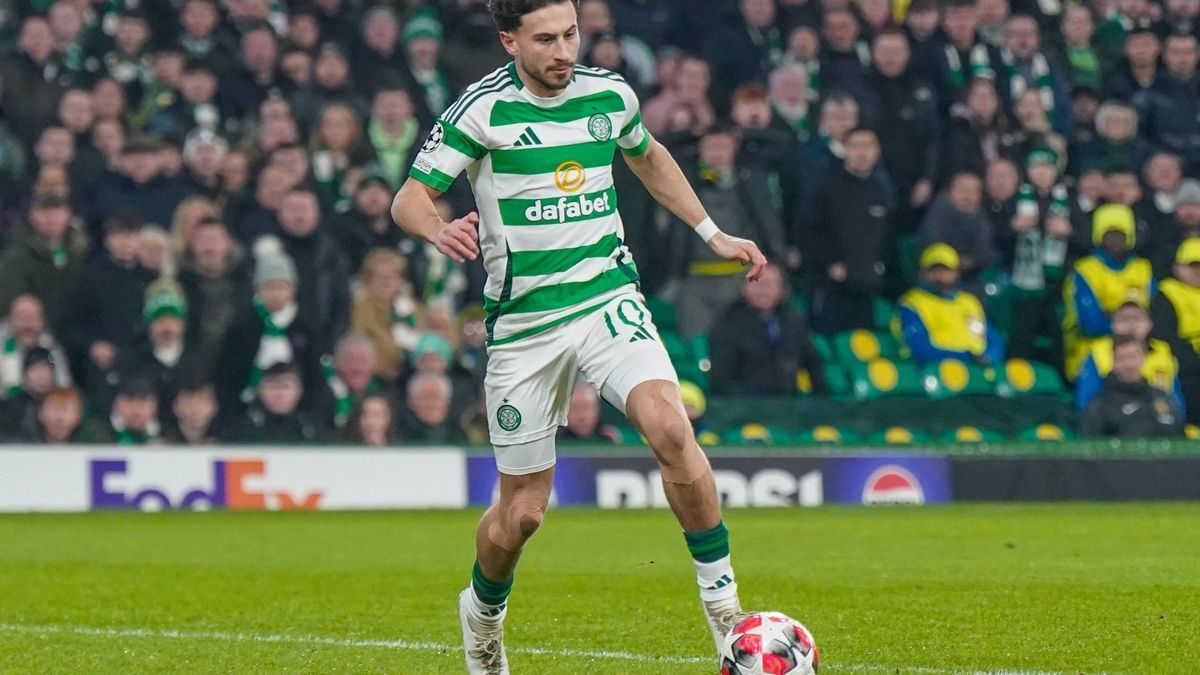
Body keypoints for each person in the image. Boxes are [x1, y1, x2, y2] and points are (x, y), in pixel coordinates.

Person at [389, 2, 767, 670]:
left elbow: (648, 159)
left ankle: (724, 609)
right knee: (524, 514)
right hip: (525, 327)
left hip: (606, 296)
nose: (564, 50)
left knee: (671, 427)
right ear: (510, 42)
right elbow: (409, 198)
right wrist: (436, 227)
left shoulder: (609, 94)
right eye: (545, 40)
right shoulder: (481, 110)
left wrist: (713, 233)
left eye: (570, 34)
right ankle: (482, 613)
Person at [808, 126, 896, 334]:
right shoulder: (825, 186)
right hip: (831, 286)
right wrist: (830, 263)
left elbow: (887, 237)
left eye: (868, 146)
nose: (862, 152)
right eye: (856, 146)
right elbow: (807, 231)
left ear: (877, 151)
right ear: (844, 150)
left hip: (868, 286)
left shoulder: (883, 189)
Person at [1063, 204, 1156, 380]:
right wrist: (1133, 321)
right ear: (1099, 236)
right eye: (1109, 235)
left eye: (1121, 234)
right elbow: (1092, 325)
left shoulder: (1143, 269)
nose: (1116, 240)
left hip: (1141, 349)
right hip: (1092, 350)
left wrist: (1113, 314)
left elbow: (1154, 316)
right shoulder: (1085, 271)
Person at [709, 262, 826, 396]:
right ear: (744, 288)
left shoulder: (793, 320)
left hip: (787, 404)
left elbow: (813, 362)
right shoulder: (727, 324)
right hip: (744, 406)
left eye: (770, 285)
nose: (763, 290)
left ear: (782, 290)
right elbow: (721, 380)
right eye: (757, 283)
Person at [897, 244, 1005, 366]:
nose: (940, 275)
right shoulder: (912, 303)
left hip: (979, 372)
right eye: (934, 270)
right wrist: (967, 357)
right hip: (937, 372)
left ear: (957, 272)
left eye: (946, 269)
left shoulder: (969, 302)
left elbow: (993, 340)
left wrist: (988, 357)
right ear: (923, 273)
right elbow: (920, 348)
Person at [0, 192, 90, 329]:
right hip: (29, 331)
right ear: (32, 216)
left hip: (76, 330)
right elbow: (6, 300)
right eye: (44, 213)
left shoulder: (82, 252)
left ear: (68, 214)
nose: (51, 219)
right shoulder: (16, 256)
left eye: (57, 212)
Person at [1076, 298, 1181, 413]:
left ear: (1150, 323)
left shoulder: (1164, 353)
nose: (1131, 324)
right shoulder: (1098, 354)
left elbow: (1176, 400)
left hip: (1158, 421)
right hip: (1115, 421)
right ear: (1113, 325)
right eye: (1124, 319)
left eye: (1137, 318)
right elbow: (1087, 402)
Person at [1079, 335, 1184, 437]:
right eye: (1122, 358)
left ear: (1144, 358)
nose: (1129, 364)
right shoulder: (1100, 405)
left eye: (1133, 356)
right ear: (1114, 363)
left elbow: (1179, 436)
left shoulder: (1161, 396)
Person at [917, 172, 999, 288]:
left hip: (973, 275)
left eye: (974, 191)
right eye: (962, 189)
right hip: (939, 277)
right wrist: (957, 260)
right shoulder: (938, 215)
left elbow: (988, 254)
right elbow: (933, 246)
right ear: (950, 192)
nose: (968, 195)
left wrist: (973, 260)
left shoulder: (981, 219)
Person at [1151, 238, 1200, 423]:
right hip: (1184, 366)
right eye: (1192, 265)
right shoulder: (1167, 293)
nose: (1197, 271)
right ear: (1177, 267)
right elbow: (1164, 335)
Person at [234, 361, 324, 444]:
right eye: (272, 386)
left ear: (299, 391)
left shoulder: (310, 429)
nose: (279, 394)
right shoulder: (242, 429)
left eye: (286, 386)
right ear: (259, 391)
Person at [0, 295, 72, 397]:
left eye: (33, 318)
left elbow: (64, 386)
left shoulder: (50, 347)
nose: (27, 324)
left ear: (42, 322)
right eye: (21, 318)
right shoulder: (2, 345)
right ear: (10, 320)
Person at [165, 379, 221, 444]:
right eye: (188, 402)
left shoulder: (227, 441)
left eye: (202, 402)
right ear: (175, 407)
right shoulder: (162, 439)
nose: (195, 409)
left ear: (214, 406)